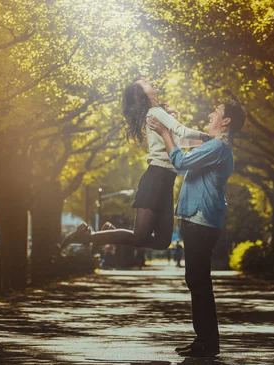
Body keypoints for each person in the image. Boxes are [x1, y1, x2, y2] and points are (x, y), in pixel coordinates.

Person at [62, 77, 209, 249]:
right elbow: (182, 131)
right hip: (156, 179)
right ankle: (88, 237)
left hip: (166, 180)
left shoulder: (158, 113)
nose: (151, 82)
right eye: (145, 83)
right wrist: (211, 137)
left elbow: (180, 142)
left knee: (162, 242)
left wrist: (207, 143)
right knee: (139, 236)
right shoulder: (154, 112)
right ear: (141, 95)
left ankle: (109, 234)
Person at [148, 99, 246, 358]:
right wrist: (171, 124)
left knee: (199, 282)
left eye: (216, 112)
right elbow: (181, 146)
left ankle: (207, 343)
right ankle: (204, 340)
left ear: (226, 121)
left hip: (201, 221)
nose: (211, 113)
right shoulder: (211, 145)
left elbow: (179, 162)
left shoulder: (218, 147)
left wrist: (166, 132)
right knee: (197, 281)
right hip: (197, 220)